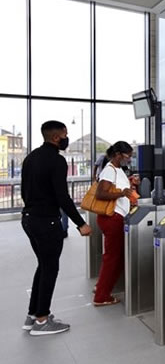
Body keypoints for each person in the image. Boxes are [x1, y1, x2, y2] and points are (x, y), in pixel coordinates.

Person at [21, 120, 92, 336]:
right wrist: (80, 223)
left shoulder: (31, 157)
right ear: (55, 137)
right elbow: (62, 196)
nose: (66, 138)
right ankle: (42, 321)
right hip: (47, 222)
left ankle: (33, 314)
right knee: (50, 268)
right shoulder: (57, 161)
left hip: (29, 219)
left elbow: (25, 191)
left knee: (43, 265)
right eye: (65, 134)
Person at [93, 141, 135, 306]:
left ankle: (101, 287)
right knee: (113, 258)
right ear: (118, 154)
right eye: (128, 156)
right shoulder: (109, 170)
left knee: (113, 257)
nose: (130, 159)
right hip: (112, 218)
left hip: (116, 217)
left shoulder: (117, 170)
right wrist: (121, 193)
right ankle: (101, 296)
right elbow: (100, 193)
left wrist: (128, 186)